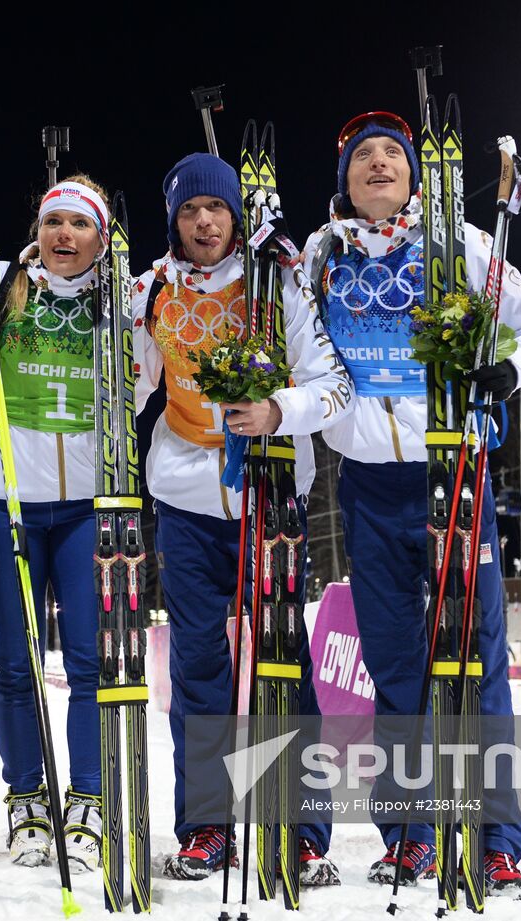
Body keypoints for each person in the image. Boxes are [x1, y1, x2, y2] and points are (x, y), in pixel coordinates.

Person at [303, 111, 521, 899]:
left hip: (452, 472)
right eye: (363, 157)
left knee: (476, 658)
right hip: (369, 485)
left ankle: (493, 841)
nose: (379, 165)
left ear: (417, 175)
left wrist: (508, 371)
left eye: (393, 154)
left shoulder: (462, 245)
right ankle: (412, 835)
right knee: (394, 665)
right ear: (345, 178)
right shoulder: (321, 254)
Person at [131, 153, 352, 885]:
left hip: (273, 490)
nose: (203, 221)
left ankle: (303, 830)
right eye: (190, 210)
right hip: (186, 501)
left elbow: (335, 387)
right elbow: (123, 380)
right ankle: (206, 827)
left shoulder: (276, 284)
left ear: (235, 217)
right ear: (175, 220)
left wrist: (275, 411)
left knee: (284, 666)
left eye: (215, 209)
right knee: (197, 667)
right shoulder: (149, 291)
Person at [0, 177, 109, 871]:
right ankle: (26, 797)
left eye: (78, 224)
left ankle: (88, 798)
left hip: (84, 505)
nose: (63, 234)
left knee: (88, 661)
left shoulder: (123, 301)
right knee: (17, 663)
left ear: (100, 238)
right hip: (11, 500)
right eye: (52, 220)